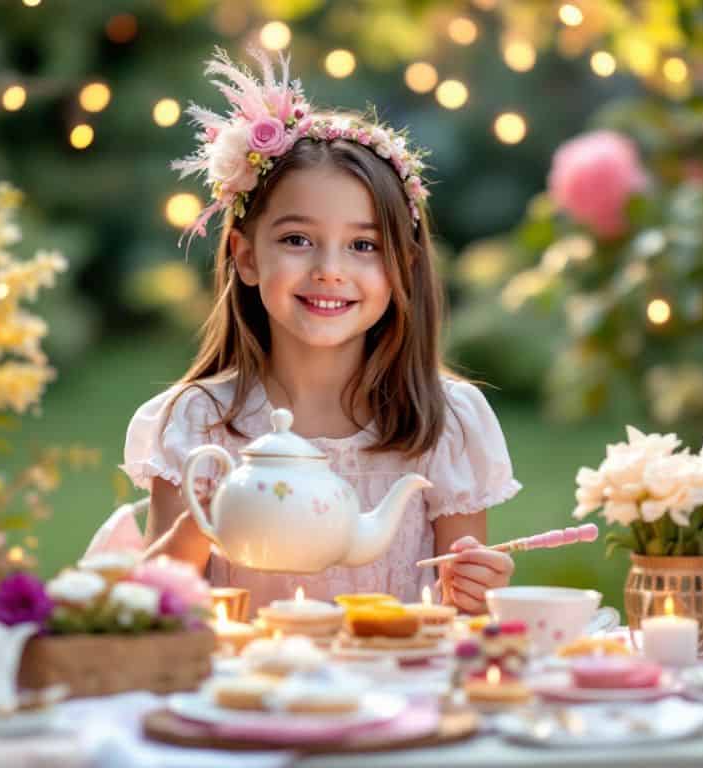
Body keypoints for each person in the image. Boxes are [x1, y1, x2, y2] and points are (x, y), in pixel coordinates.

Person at [96, 47, 521, 613]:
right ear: (245, 257)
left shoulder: (444, 424)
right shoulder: (197, 423)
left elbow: (462, 614)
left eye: (364, 246)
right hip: (238, 695)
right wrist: (203, 522)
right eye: (297, 239)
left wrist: (478, 589)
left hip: (393, 693)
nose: (329, 269)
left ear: (404, 269)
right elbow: (154, 606)